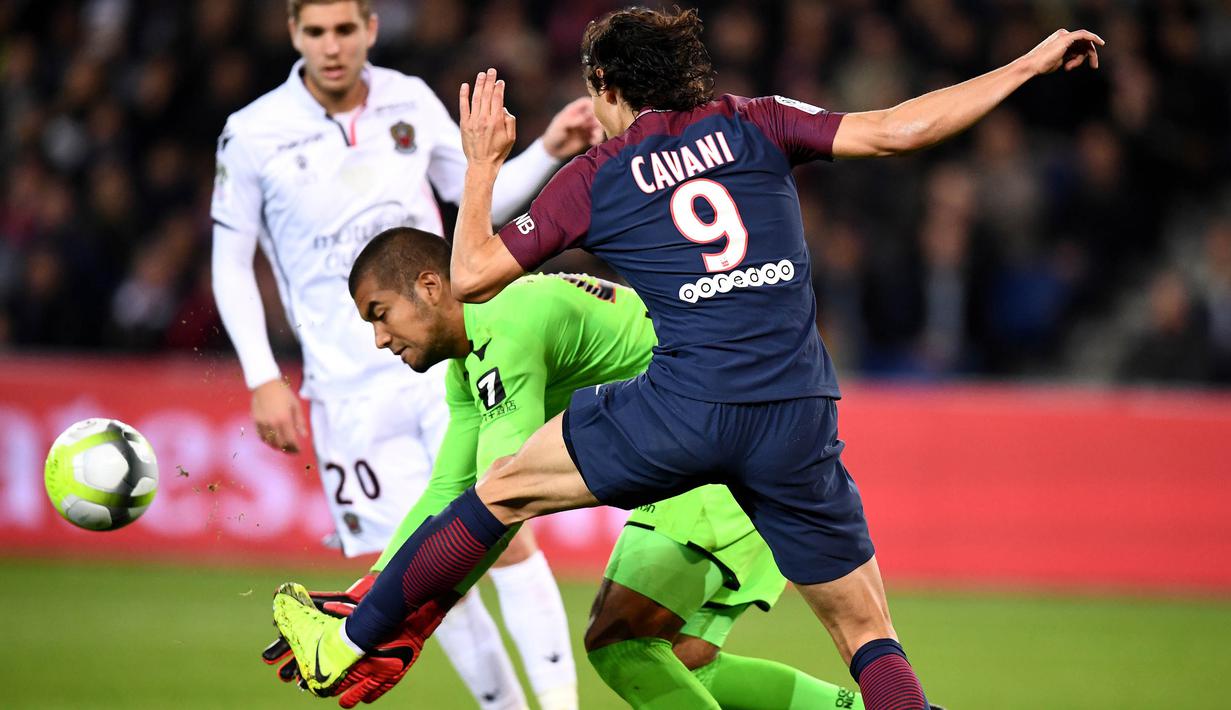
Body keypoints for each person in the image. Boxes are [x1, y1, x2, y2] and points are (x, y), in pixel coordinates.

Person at [272, 7, 1102, 709]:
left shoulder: (596, 174)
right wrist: (1023, 66)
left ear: (606, 87)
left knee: (502, 491)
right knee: (864, 632)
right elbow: (896, 130)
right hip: (795, 414)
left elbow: (472, 276)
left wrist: (483, 166)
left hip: (685, 406)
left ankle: (353, 640)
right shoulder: (759, 119)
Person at [211, 1, 600, 708]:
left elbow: (472, 203)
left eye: (345, 29)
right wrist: (264, 376)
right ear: (294, 34)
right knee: (419, 573)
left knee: (503, 526)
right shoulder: (252, 133)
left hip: (441, 359)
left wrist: (546, 149)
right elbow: (230, 262)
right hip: (347, 393)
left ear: (370, 28)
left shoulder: (410, 102)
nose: (332, 47)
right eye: (316, 32)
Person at [338, 225, 886, 709]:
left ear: (430, 287)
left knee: (621, 644)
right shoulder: (469, 367)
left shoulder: (505, 323)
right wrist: (368, 594)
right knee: (687, 661)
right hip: (733, 445)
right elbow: (447, 492)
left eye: (379, 314)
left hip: (713, 452)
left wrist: (392, 617)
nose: (380, 339)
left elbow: (497, 502)